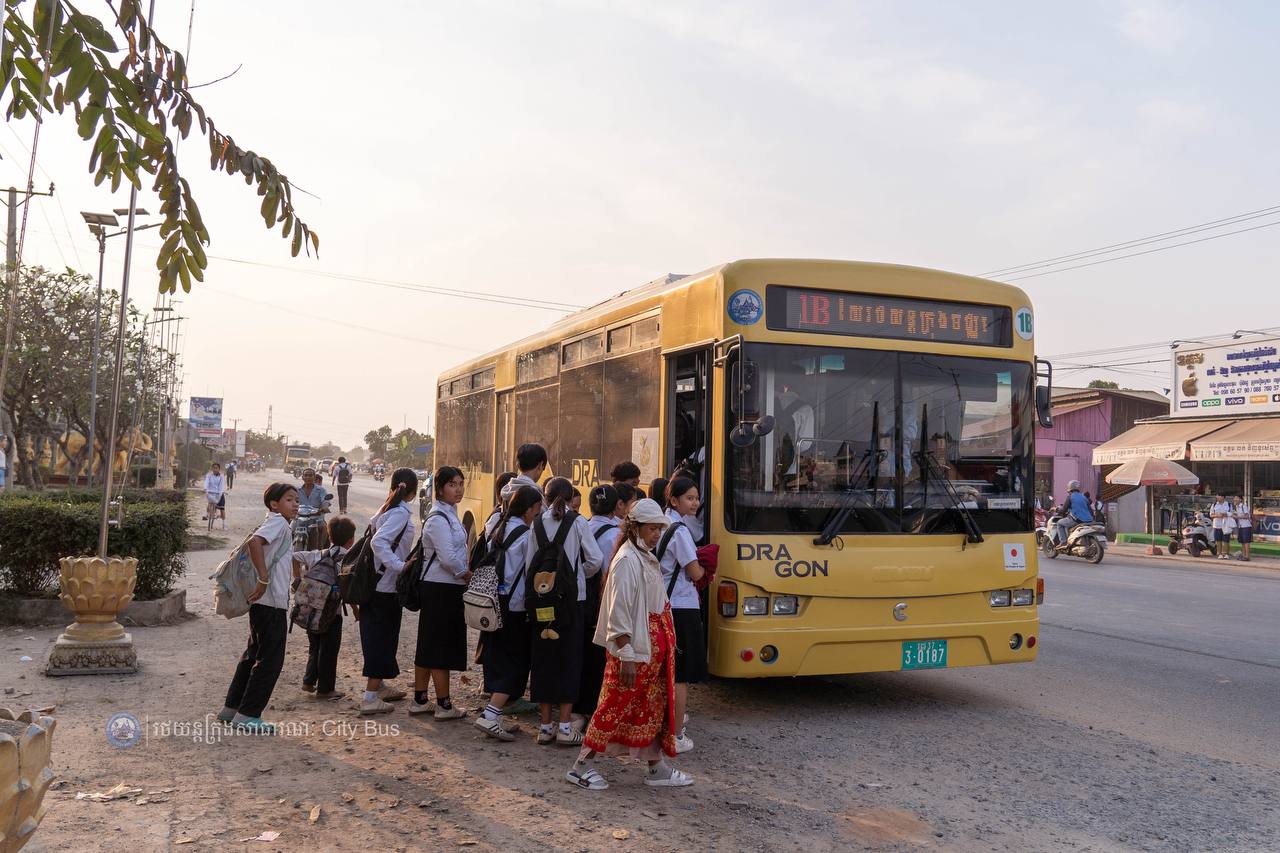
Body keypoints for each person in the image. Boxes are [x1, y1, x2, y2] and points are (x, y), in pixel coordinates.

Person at [567, 498, 693, 791]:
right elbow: (618, 611)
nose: (656, 535)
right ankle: (580, 767)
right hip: (633, 652)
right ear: (636, 527)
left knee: (651, 708)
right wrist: (625, 653)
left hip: (649, 652)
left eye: (659, 530)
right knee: (613, 707)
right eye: (652, 529)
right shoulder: (627, 560)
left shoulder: (643, 555)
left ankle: (656, 767)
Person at [527, 476, 603, 746]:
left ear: (544, 498)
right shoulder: (578, 522)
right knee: (570, 659)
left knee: (544, 660)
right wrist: (577, 577)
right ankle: (566, 727)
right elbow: (595, 559)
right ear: (572, 498)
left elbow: (529, 565)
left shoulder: (536, 523)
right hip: (573, 602)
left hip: (542, 602)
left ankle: (545, 727)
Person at [217, 482, 299, 733]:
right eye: (289, 500)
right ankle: (249, 714)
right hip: (271, 601)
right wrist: (263, 578)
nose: (295, 504)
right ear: (275, 504)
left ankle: (232, 709)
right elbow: (255, 543)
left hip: (263, 602)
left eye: (296, 500)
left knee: (253, 653)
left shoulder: (276, 522)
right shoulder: (277, 522)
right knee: (270, 660)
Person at [476, 484, 544, 741]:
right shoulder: (526, 536)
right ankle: (491, 714)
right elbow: (531, 572)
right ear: (528, 509)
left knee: (499, 656)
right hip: (515, 606)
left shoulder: (499, 527)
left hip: (495, 602)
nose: (538, 514)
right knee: (516, 663)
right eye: (537, 509)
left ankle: (496, 713)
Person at [411, 465, 471, 720]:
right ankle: (444, 705)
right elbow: (448, 557)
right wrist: (468, 575)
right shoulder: (438, 518)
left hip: (445, 587)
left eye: (460, 483)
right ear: (439, 488)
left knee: (428, 644)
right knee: (439, 647)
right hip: (441, 587)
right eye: (452, 484)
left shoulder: (450, 513)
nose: (458, 489)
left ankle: (420, 699)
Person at [357, 468, 419, 714]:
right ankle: (370, 697)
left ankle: (379, 686)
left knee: (375, 636)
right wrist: (400, 566)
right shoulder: (400, 514)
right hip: (385, 586)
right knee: (381, 639)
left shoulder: (387, 509)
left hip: (376, 584)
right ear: (413, 492)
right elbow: (378, 542)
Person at [659, 477, 705, 753]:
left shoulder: (660, 523)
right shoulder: (679, 531)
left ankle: (663, 726)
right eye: (689, 498)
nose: (695, 503)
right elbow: (695, 571)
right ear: (674, 500)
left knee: (664, 672)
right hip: (682, 607)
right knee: (680, 676)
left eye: (696, 497)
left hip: (662, 603)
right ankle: (675, 735)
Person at [575, 484, 626, 722]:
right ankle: (594, 710)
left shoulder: (580, 526)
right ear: (617, 506)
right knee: (600, 658)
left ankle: (576, 707)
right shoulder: (616, 535)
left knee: (582, 655)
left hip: (580, 601)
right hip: (601, 604)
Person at [295, 515, 357, 700]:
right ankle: (325, 690)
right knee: (329, 650)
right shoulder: (346, 560)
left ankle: (308, 681)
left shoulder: (317, 555)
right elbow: (347, 589)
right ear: (350, 540)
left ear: (329, 537)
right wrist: (355, 609)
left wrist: (296, 577)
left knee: (314, 647)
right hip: (332, 614)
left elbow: (294, 556)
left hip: (310, 610)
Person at [1056, 480, 1093, 547]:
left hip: (1077, 520)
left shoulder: (1070, 497)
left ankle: (1063, 542)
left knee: (1059, 523)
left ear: (1070, 489)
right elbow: (1090, 510)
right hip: (1089, 521)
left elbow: (1064, 510)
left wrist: (1058, 511)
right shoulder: (1084, 497)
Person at [1209, 492, 1234, 560]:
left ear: (1223, 497)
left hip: (1226, 525)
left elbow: (1231, 513)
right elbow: (1211, 515)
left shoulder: (1228, 505)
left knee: (1226, 540)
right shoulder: (1214, 505)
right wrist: (1217, 515)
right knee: (1218, 540)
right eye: (1217, 496)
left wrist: (1225, 514)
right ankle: (1219, 554)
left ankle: (1225, 554)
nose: (1217, 497)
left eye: (1218, 496)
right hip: (1217, 525)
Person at [203, 463, 225, 532]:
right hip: (210, 491)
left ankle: (216, 515)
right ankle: (207, 514)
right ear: (212, 469)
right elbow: (206, 482)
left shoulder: (221, 476)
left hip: (218, 493)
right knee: (210, 502)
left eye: (216, 468)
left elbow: (221, 485)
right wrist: (205, 489)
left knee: (218, 505)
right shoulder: (209, 475)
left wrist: (220, 492)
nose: (215, 469)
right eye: (214, 468)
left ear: (219, 469)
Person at [1233, 495, 1252, 562]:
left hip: (1246, 526)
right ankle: (1244, 556)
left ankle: (1247, 556)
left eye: (1236, 498)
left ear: (1240, 499)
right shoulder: (1236, 507)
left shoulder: (1244, 506)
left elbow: (1247, 516)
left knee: (1246, 541)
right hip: (1241, 526)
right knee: (1242, 541)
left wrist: (1237, 517)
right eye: (1234, 498)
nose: (1234, 499)